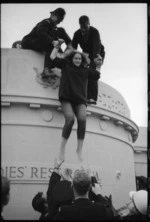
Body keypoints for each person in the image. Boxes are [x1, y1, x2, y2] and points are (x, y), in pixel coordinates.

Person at [50, 40, 101, 162]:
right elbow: (52, 57)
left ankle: (79, 149)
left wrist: (99, 65)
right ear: (72, 59)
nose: (77, 60)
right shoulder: (65, 65)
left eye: (79, 58)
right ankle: (62, 149)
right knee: (70, 119)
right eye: (75, 58)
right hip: (66, 98)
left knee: (82, 120)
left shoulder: (85, 70)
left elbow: (96, 76)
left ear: (82, 60)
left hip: (80, 100)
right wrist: (57, 47)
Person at [21, 8, 72, 79]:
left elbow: (68, 42)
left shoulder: (58, 30)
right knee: (52, 45)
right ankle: (46, 70)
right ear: (53, 16)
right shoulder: (45, 22)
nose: (59, 22)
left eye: (60, 21)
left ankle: (63, 68)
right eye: (58, 20)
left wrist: (68, 50)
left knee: (59, 35)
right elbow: (41, 33)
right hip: (29, 41)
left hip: (43, 43)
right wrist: (53, 41)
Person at [72, 15, 105, 104]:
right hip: (86, 54)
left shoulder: (94, 32)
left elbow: (96, 46)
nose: (83, 30)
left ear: (89, 24)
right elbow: (73, 47)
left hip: (97, 54)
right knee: (81, 70)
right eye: (82, 28)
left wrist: (94, 59)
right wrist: (70, 57)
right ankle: (81, 93)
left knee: (92, 71)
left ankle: (92, 98)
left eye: (85, 27)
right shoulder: (77, 34)